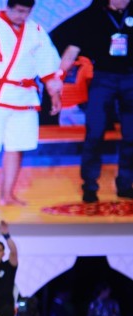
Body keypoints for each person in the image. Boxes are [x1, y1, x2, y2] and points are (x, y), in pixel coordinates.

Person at [0, 0, 63, 205]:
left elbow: (48, 66)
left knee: (17, 148)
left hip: (25, 99)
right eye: (18, 11)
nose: (21, 16)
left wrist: (55, 95)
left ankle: (7, 195)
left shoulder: (36, 31)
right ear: (8, 7)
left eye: (26, 12)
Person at [54, 0, 133, 203]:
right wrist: (58, 77)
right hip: (103, 78)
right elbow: (72, 50)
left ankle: (126, 184)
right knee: (95, 132)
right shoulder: (93, 15)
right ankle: (89, 185)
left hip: (130, 78)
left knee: (131, 135)